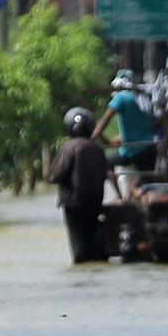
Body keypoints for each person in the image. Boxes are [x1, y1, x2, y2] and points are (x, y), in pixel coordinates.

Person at [48, 107, 109, 263]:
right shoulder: (98, 149)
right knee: (92, 245)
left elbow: (55, 176)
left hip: (73, 204)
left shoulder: (68, 147)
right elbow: (105, 174)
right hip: (95, 203)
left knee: (79, 250)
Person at [91, 69, 157, 198]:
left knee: (104, 163)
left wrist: (91, 139)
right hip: (150, 148)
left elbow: (104, 121)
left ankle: (119, 196)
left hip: (132, 151)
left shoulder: (121, 98)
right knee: (144, 185)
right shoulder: (143, 96)